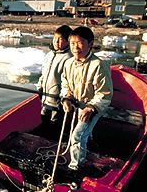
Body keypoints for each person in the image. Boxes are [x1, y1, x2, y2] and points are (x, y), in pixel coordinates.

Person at [60, 26, 113, 171]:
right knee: (81, 133)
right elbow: (66, 85)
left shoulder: (99, 65)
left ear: (90, 44)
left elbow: (105, 94)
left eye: (80, 43)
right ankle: (90, 141)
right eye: (72, 43)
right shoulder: (69, 63)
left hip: (95, 107)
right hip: (78, 104)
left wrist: (91, 108)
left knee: (77, 136)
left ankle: (75, 166)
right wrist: (66, 98)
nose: (75, 47)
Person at [36, 25, 73, 140]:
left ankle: (53, 145)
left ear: (68, 41)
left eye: (61, 39)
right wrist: (40, 87)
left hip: (58, 101)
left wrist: (64, 97)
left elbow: (69, 82)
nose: (56, 42)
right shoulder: (50, 54)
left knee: (55, 125)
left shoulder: (69, 58)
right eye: (55, 38)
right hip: (46, 98)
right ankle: (43, 142)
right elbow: (44, 74)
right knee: (44, 121)